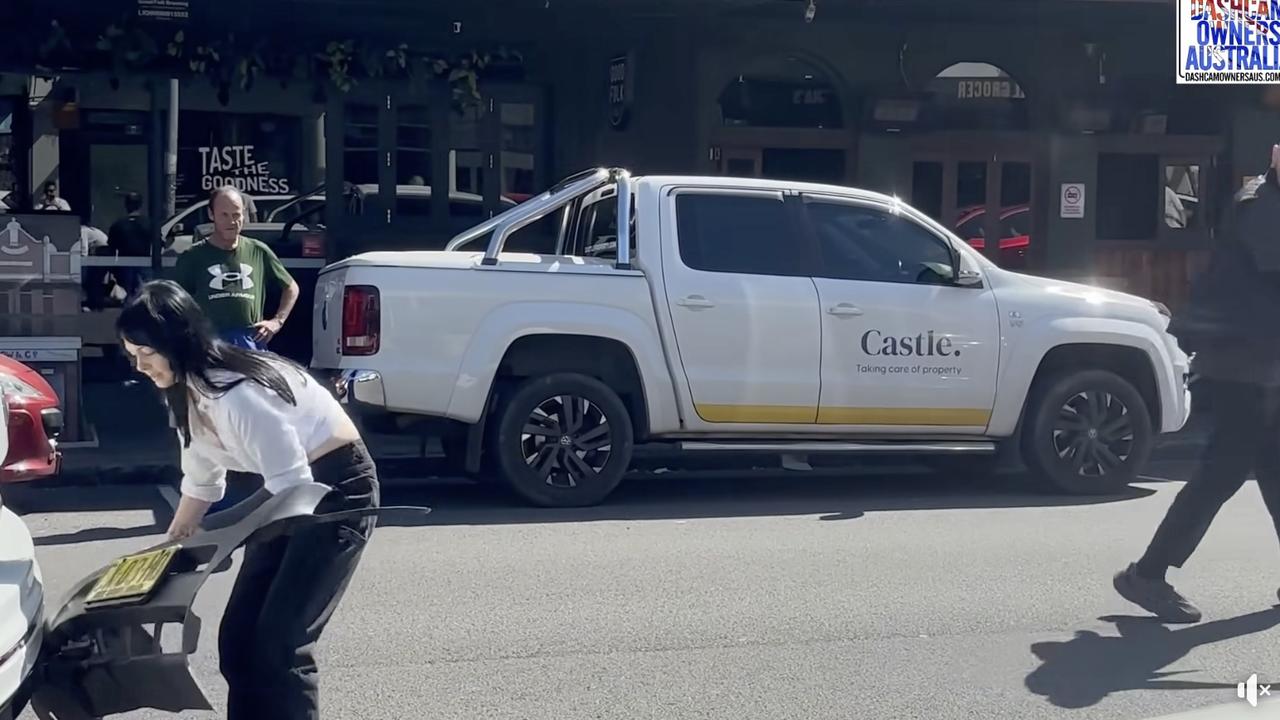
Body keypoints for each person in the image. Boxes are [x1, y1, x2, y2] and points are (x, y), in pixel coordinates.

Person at [117, 279, 379, 720]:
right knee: (238, 640)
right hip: (286, 493)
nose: (139, 365)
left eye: (146, 354)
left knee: (282, 645)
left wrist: (223, 538)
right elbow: (202, 479)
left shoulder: (238, 395)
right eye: (131, 355)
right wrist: (170, 547)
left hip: (335, 491)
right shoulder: (186, 391)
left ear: (176, 342)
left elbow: (295, 488)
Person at [1113, 145, 1280, 624]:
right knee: (1223, 471)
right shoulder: (1258, 205)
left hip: (1264, 365)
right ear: (1273, 154)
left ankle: (1148, 575)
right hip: (1239, 367)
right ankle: (1147, 575)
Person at [172, 185, 300, 350]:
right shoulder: (193, 256)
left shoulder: (258, 250)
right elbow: (173, 301)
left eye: (236, 214)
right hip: (210, 342)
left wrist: (277, 321)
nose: (231, 221)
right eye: (224, 215)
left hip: (250, 341)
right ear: (211, 214)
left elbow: (291, 287)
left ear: (244, 214)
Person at [107, 192, 153, 296]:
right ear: (140, 204)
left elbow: (111, 249)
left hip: (125, 265)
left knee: (128, 294)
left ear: (126, 205)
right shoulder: (149, 223)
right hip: (144, 263)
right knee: (146, 294)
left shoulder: (118, 225)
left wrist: (113, 269)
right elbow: (159, 244)